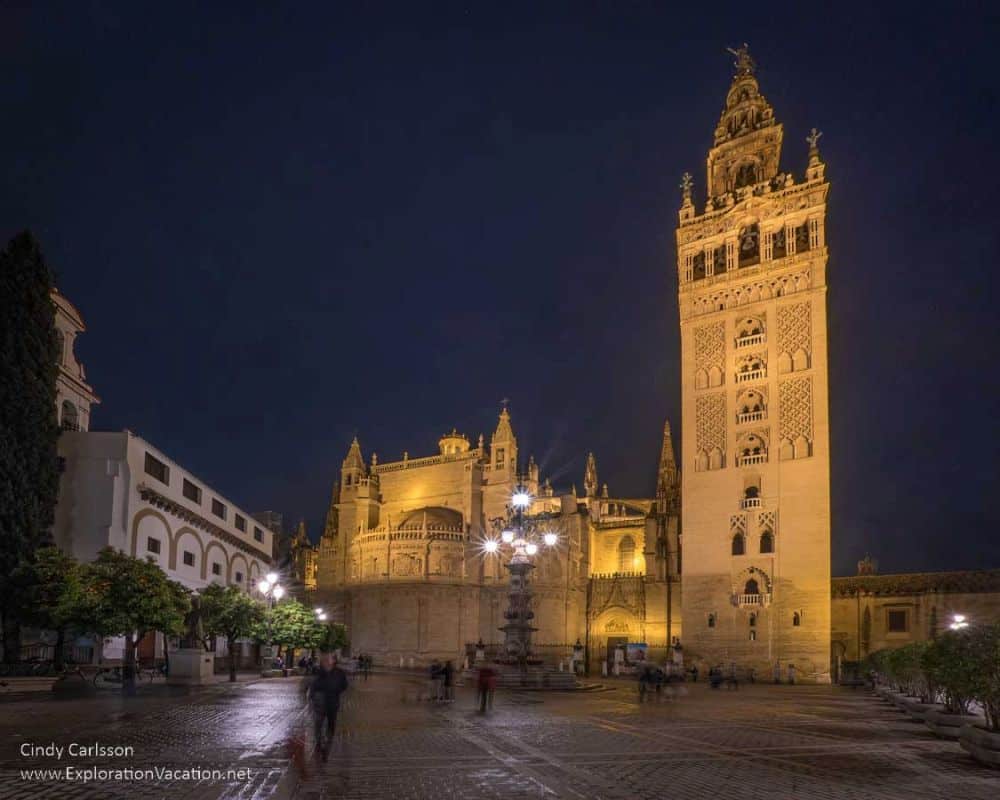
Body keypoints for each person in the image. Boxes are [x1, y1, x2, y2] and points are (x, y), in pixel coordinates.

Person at [307, 653, 349, 761]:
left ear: (334, 661)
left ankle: (327, 744)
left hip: (332, 703)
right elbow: (312, 685)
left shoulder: (339, 673)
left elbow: (344, 686)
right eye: (324, 660)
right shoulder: (318, 671)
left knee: (331, 725)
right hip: (320, 703)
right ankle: (318, 742)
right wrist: (312, 696)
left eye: (328, 659)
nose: (326, 661)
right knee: (318, 724)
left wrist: (335, 691)